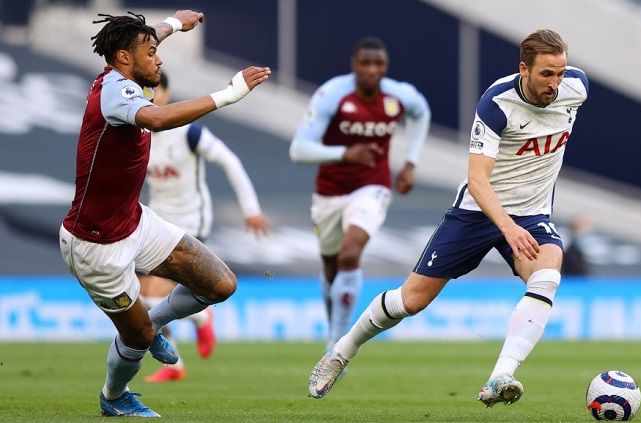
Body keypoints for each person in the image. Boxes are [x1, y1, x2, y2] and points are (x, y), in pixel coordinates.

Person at [307, 29, 588, 408]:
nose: (555, 83)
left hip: (533, 212)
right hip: (477, 211)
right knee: (412, 300)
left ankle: (500, 376)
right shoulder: (497, 103)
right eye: (546, 75)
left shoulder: (577, 88)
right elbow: (477, 179)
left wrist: (519, 225)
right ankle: (340, 353)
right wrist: (508, 227)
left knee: (548, 274)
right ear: (524, 69)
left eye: (560, 72)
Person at [58, 10, 271, 417]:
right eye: (152, 53)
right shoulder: (115, 93)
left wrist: (173, 22)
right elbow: (156, 119)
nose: (160, 59)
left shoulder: (124, 71)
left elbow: (145, 37)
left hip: (136, 222)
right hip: (95, 246)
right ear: (124, 58)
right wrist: (229, 93)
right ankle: (114, 395)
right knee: (135, 337)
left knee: (220, 285)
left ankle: (152, 325)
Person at [289, 37, 430, 350]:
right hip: (329, 192)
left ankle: (336, 346)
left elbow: (421, 113)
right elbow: (298, 149)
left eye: (378, 64)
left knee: (350, 253)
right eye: (365, 63)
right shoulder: (333, 94)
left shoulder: (399, 96)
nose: (371, 70)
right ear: (354, 65)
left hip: (373, 187)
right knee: (330, 267)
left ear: (385, 67)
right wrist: (345, 153)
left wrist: (410, 163)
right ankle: (334, 331)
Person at [139, 71, 271, 383]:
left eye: (155, 91)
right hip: (157, 220)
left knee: (153, 297)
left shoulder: (188, 132)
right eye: (144, 92)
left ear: (168, 96)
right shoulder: (138, 136)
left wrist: (250, 210)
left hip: (190, 222)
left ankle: (197, 322)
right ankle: (184, 349)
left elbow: (230, 161)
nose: (150, 98)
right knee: (144, 297)